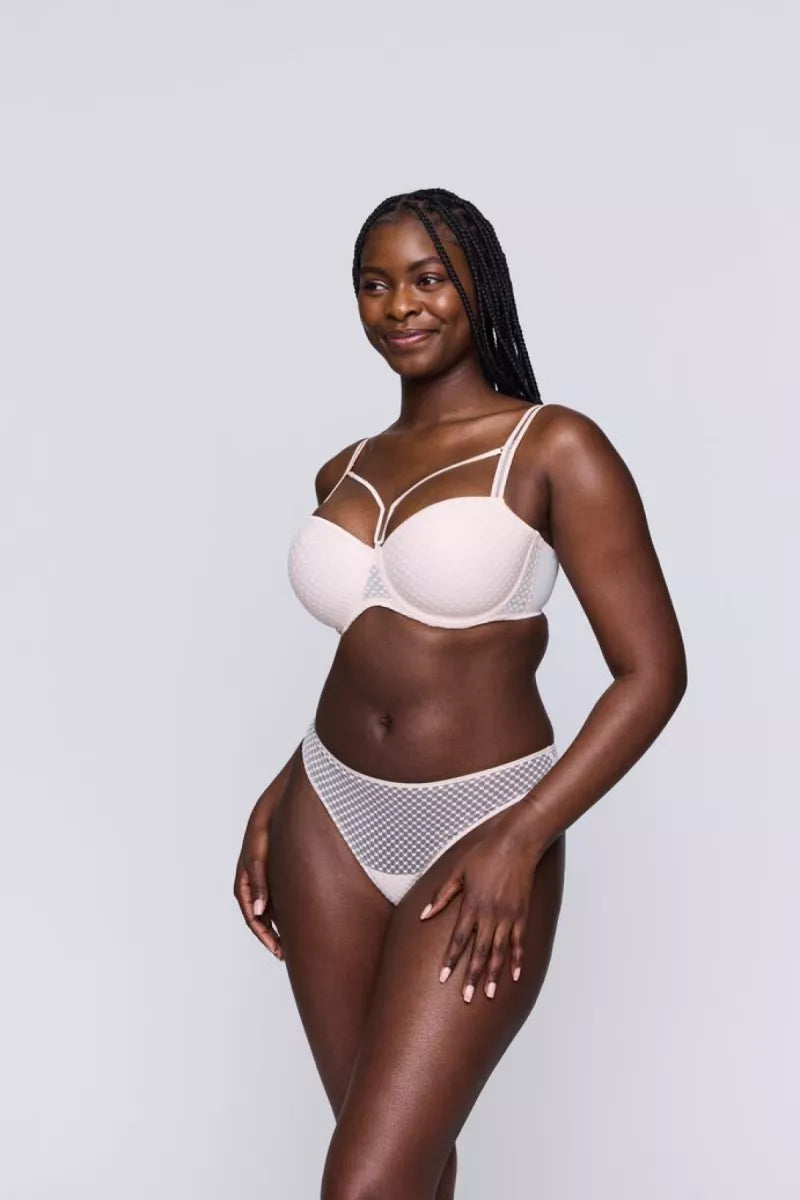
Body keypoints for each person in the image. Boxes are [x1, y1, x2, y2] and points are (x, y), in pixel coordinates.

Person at [233, 187, 687, 1199]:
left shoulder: (553, 446)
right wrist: (285, 785)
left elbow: (653, 672)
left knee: (365, 1183)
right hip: (326, 822)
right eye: (374, 284)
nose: (399, 305)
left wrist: (522, 837)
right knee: (407, 1168)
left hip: (482, 825)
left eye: (427, 278)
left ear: (477, 285)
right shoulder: (343, 469)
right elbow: (372, 652)